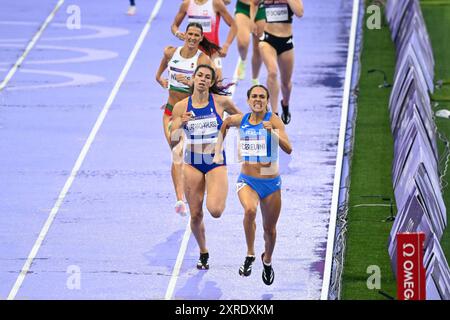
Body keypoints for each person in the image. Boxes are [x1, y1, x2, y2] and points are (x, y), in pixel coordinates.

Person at [213, 84, 292, 285]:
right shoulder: (242, 120)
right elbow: (227, 122)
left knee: (270, 230)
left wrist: (273, 133)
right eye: (254, 96)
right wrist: (217, 150)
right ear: (248, 101)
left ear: (267, 101)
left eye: (262, 97)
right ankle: (250, 254)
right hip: (247, 181)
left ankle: (267, 260)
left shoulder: (273, 120)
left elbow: (289, 149)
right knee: (249, 210)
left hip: (271, 184)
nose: (258, 99)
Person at [170, 64, 242, 269]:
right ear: (193, 79)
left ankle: (217, 196)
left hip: (215, 161)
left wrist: (229, 124)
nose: (202, 79)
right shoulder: (181, 107)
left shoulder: (221, 101)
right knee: (195, 214)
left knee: (216, 210)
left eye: (206, 77)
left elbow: (241, 118)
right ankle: (203, 252)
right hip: (192, 161)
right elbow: (174, 140)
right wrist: (180, 124)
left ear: (211, 83)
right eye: (199, 75)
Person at [155, 23, 217, 216]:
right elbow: (159, 73)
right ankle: (180, 199)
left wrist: (191, 82)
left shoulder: (202, 59)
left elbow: (211, 83)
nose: (191, 37)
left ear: (200, 39)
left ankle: (197, 193)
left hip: (193, 116)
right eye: (189, 34)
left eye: (196, 35)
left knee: (195, 158)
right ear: (184, 35)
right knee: (177, 153)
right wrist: (160, 79)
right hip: (171, 113)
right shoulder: (170, 52)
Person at [259, 0, 303, 124]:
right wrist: (252, 20)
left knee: (286, 83)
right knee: (272, 72)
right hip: (267, 39)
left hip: (286, 42)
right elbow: (253, 3)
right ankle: (274, 113)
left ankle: (285, 104)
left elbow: (299, 12)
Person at [171, 0, 238, 82]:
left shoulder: (216, 3)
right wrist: (177, 33)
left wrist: (226, 45)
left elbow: (234, 25)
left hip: (212, 53)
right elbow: (174, 25)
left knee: (217, 84)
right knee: (192, 85)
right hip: (193, 54)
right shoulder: (187, 4)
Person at [235, 0, 266, 84]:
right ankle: (243, 60)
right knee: (242, 44)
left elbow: (255, 3)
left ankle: (255, 78)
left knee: (258, 48)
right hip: (243, 8)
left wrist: (252, 20)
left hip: (261, 9)